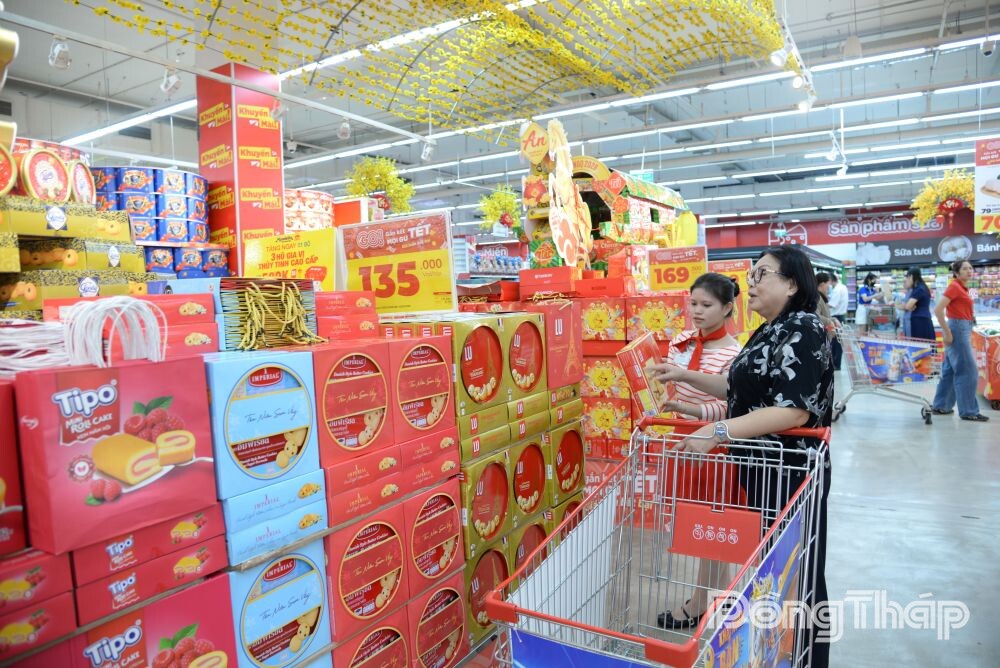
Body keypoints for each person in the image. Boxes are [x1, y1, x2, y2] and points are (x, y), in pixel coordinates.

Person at [653, 246, 834, 668]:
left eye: (762, 274)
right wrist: (682, 374)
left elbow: (793, 410)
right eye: (751, 274)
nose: (751, 283)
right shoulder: (770, 329)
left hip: (791, 472)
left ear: (792, 284)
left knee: (800, 573)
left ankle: (806, 658)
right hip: (761, 469)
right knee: (778, 570)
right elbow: (738, 389)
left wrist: (717, 431)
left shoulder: (803, 327)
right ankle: (781, 653)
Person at [654, 273, 743, 630]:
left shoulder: (734, 354)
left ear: (727, 308)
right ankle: (717, 596)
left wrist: (686, 408)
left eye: (707, 305)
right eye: (693, 303)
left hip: (714, 445)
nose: (697, 311)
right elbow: (665, 386)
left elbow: (727, 408)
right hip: (683, 441)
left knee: (712, 526)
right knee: (701, 525)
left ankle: (700, 601)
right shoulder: (680, 343)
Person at [931, 260, 988, 421]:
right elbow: (938, 309)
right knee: (968, 371)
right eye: (964, 268)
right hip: (957, 329)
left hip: (962, 327)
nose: (969, 271)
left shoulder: (963, 288)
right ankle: (969, 411)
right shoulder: (955, 287)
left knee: (950, 370)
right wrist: (947, 332)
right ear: (956, 273)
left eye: (970, 268)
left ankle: (941, 406)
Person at [901, 267, 935, 341]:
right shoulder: (922, 287)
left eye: (907, 278)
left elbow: (908, 306)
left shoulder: (919, 289)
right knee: (924, 345)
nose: (907, 280)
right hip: (923, 319)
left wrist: (906, 306)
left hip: (919, 321)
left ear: (911, 276)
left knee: (919, 344)